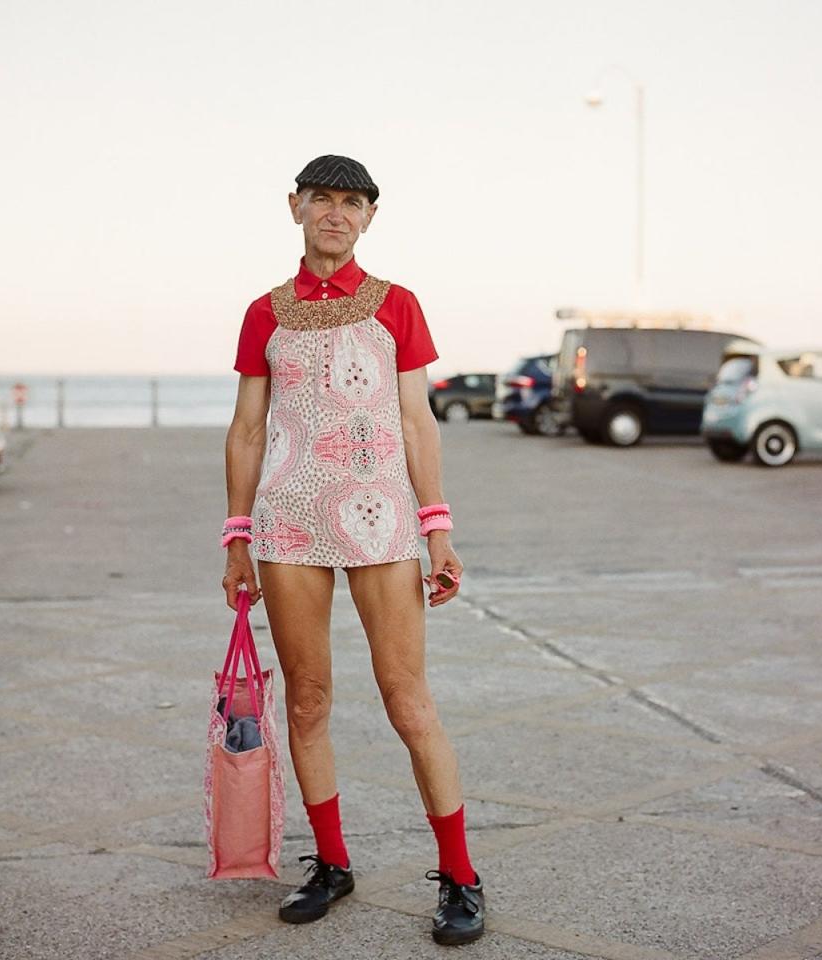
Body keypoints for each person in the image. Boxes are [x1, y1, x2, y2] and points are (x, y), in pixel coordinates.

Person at [221, 155, 484, 946]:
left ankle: (462, 877)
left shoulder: (395, 304)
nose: (335, 213)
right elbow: (246, 427)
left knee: (408, 701)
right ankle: (332, 864)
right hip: (289, 521)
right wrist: (237, 537)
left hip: (382, 524)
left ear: (369, 216)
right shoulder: (264, 312)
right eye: (321, 199)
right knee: (307, 698)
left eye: (351, 202)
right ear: (294, 207)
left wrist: (436, 526)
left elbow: (417, 421)